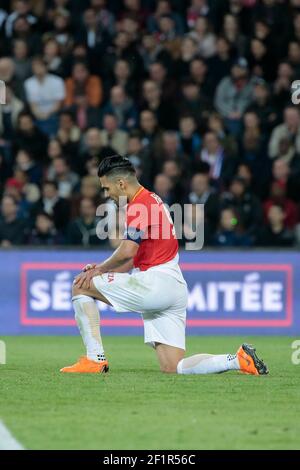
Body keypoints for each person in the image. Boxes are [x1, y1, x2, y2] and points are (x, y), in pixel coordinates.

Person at [61, 155, 268, 376]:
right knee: (173, 366)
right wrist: (105, 270)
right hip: (173, 286)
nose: (107, 194)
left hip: (155, 284)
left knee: (80, 285)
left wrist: (99, 269)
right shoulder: (153, 199)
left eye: (107, 188)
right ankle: (238, 360)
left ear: (121, 183)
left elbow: (127, 251)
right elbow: (132, 258)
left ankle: (95, 360)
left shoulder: (140, 205)